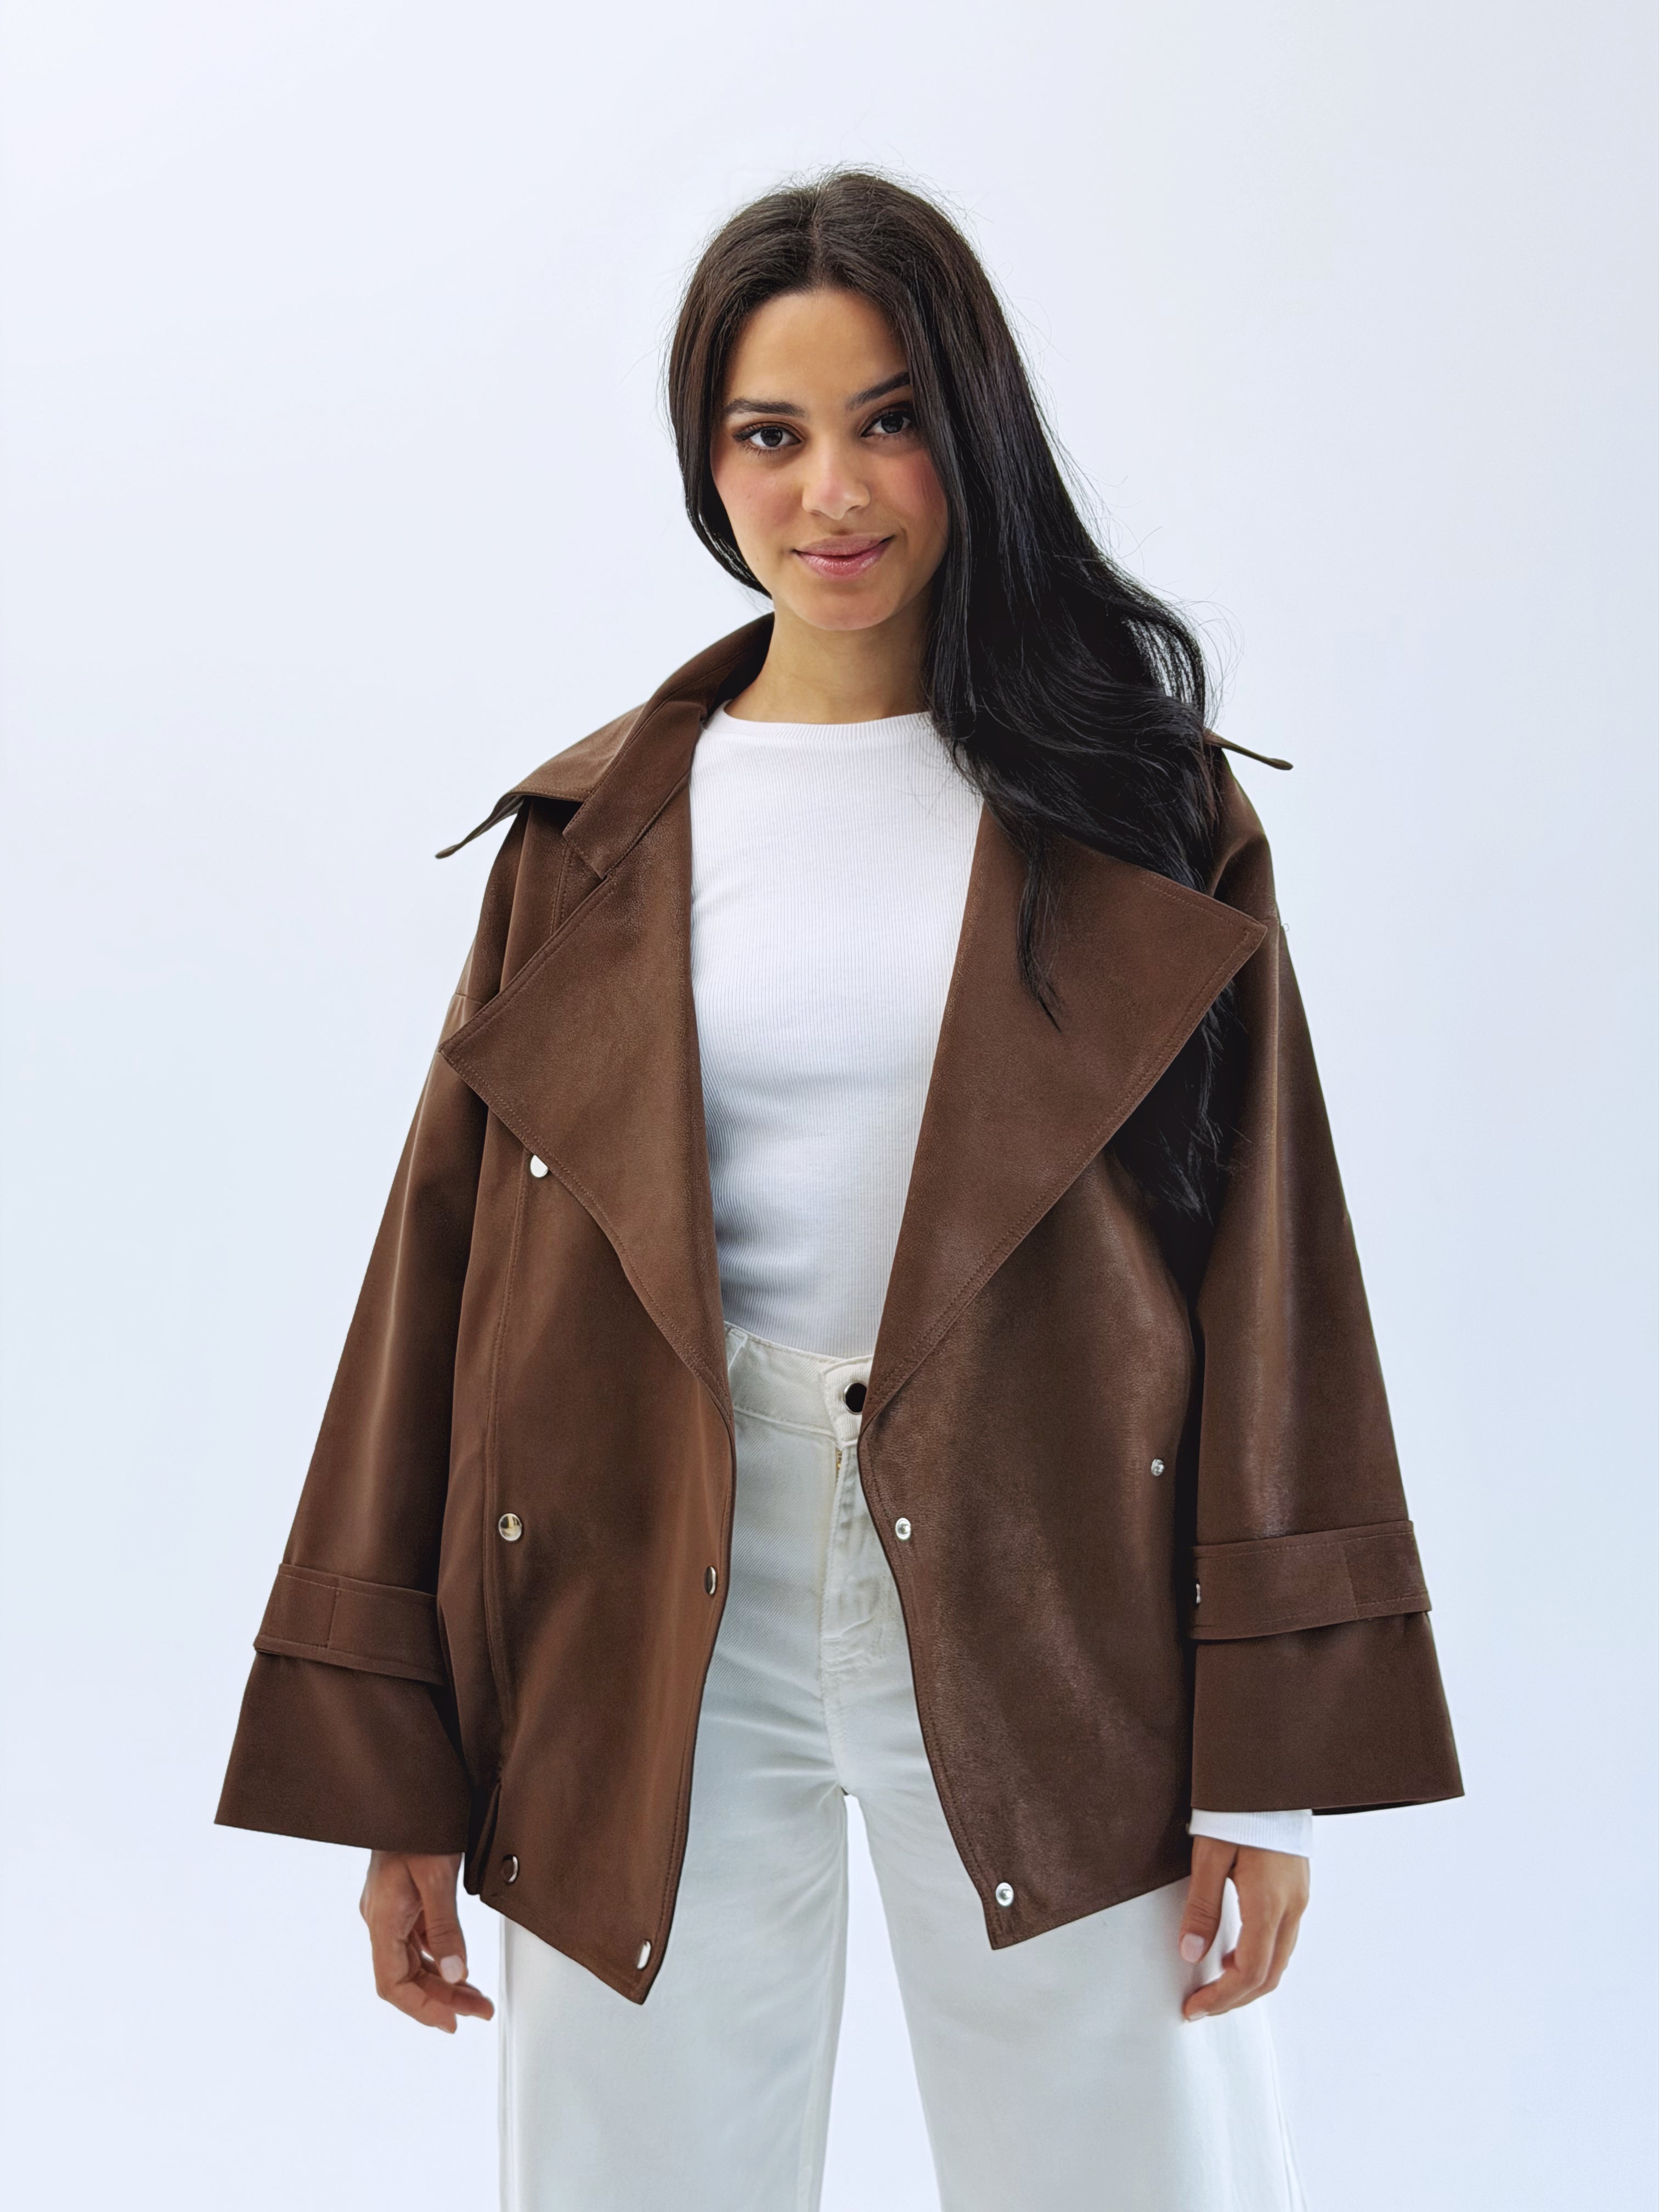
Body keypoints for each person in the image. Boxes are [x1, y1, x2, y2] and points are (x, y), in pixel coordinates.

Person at [218, 170, 1461, 2210]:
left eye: (890, 420)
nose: (834, 492)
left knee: (1130, 2175)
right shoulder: (587, 836)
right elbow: (435, 1288)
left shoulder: (1144, 811)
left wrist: (1276, 1768)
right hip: (641, 1578)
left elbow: (1274, 1272)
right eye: (768, 433)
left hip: (1061, 1567)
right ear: (707, 466)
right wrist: (398, 1756)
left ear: (971, 430)